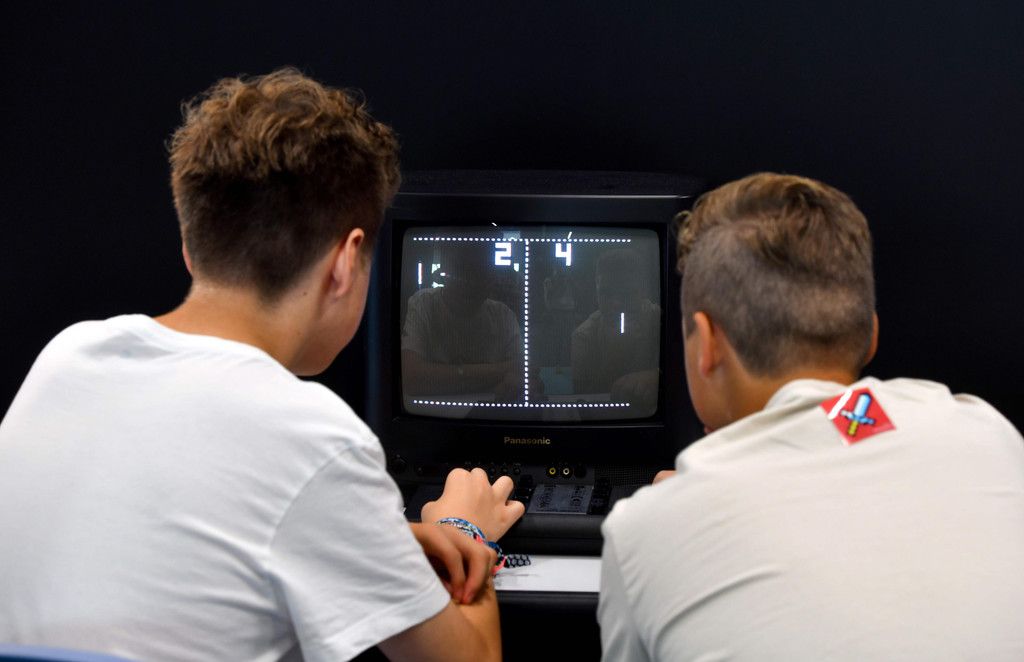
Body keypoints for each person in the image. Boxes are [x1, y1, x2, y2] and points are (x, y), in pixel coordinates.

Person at [0, 69, 524, 661]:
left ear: (190, 247)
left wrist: (382, 539)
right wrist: (465, 534)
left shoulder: (67, 359)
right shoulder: (316, 440)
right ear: (345, 263)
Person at [597, 173, 1024, 661]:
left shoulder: (644, 534)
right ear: (870, 335)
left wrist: (681, 506)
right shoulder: (992, 437)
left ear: (706, 345)